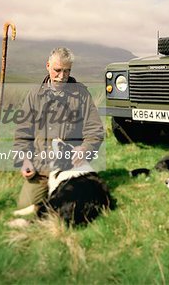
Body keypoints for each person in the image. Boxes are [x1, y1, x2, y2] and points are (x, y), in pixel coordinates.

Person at [13, 47, 104, 208]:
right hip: (40, 171)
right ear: (47, 66)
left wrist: (85, 148)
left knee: (75, 207)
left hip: (70, 170)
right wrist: (25, 160)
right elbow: (22, 133)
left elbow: (95, 131)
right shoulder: (34, 95)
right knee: (25, 209)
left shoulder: (81, 95)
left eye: (67, 71)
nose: (62, 77)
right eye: (57, 70)